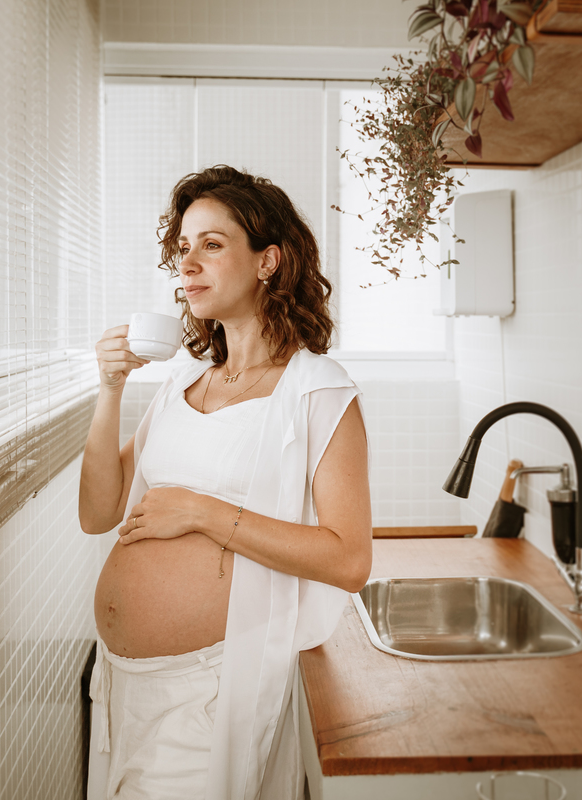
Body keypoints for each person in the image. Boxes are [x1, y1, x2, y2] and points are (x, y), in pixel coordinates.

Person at [78, 165, 372, 800]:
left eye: (212, 244)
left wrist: (202, 513)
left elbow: (349, 561)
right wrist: (110, 389)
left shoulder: (318, 391)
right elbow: (98, 512)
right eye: (183, 247)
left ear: (268, 261)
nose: (188, 264)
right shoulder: (184, 382)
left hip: (209, 693)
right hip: (122, 685)